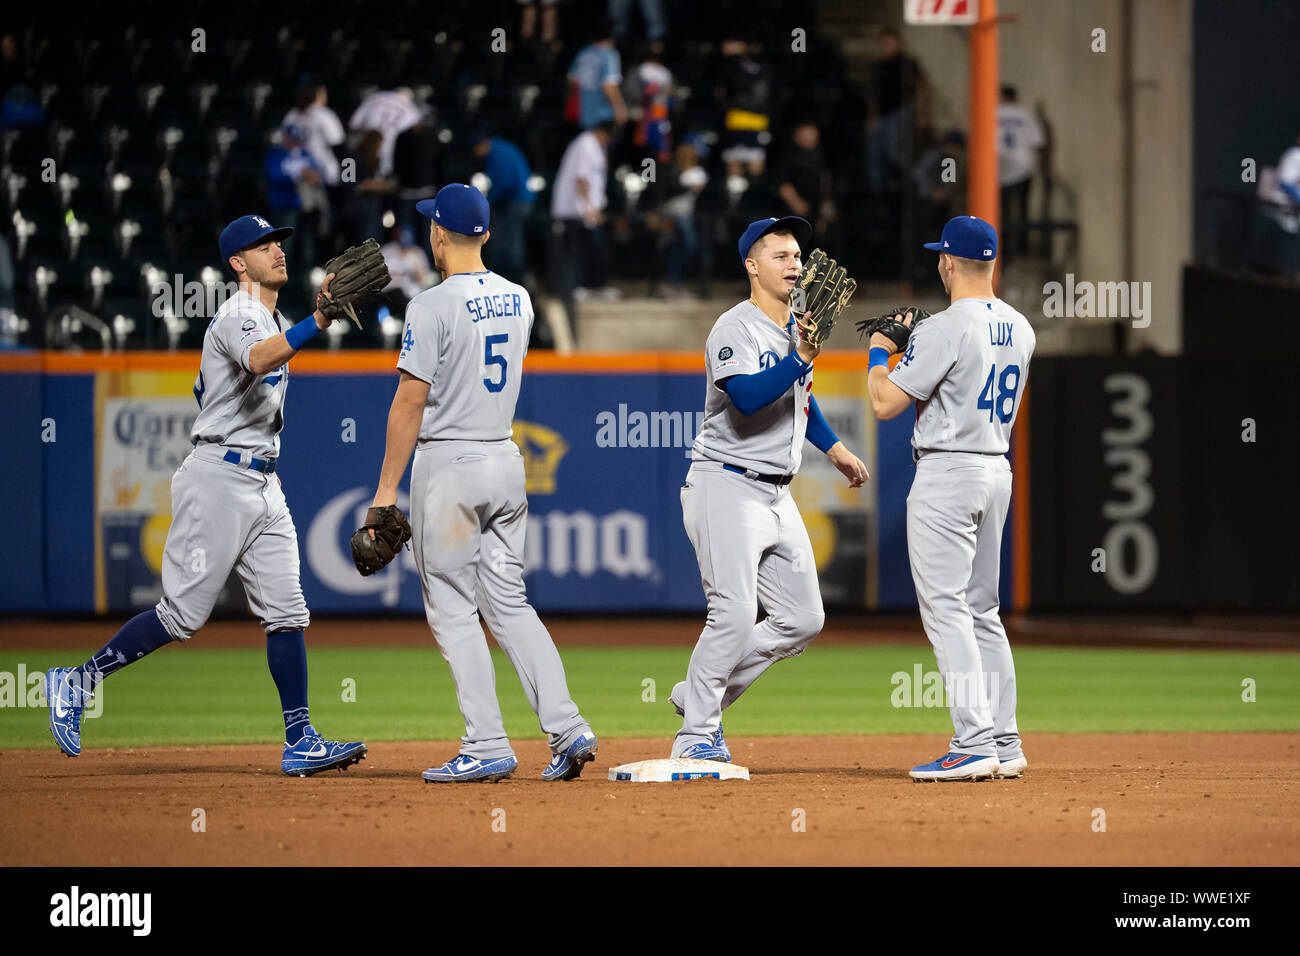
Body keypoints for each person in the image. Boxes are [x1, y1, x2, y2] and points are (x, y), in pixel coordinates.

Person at [44, 215, 367, 777]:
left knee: (287, 611)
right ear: (238, 262)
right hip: (218, 476)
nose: (277, 251)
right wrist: (320, 318)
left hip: (262, 481)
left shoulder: (269, 316)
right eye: (264, 246)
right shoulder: (238, 312)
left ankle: (301, 739)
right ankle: (76, 681)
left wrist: (308, 319)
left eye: (279, 243)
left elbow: (269, 367)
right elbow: (262, 358)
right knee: (182, 616)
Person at [366, 184, 598, 783]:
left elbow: (409, 402)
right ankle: (568, 727)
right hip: (504, 460)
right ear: (488, 234)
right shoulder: (519, 298)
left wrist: (384, 491)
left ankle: (487, 742)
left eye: (431, 229)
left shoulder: (430, 305)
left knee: (451, 607)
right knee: (510, 603)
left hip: (450, 467)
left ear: (439, 234)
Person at [670, 217, 870, 761]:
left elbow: (800, 398)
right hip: (725, 484)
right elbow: (750, 400)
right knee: (732, 613)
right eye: (780, 255)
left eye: (798, 255)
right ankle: (696, 736)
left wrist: (835, 450)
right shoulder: (733, 328)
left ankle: (697, 696)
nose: (795, 264)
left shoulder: (795, 326)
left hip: (777, 495)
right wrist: (800, 358)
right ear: (751, 267)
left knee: (803, 618)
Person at [864, 215, 1035, 782]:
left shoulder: (944, 326)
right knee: (982, 608)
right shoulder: (1022, 326)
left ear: (948, 263)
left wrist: (881, 347)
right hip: (995, 469)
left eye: (940, 256)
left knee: (946, 608)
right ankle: (1004, 738)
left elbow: (885, 402)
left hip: (948, 472)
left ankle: (973, 739)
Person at [550, 121, 615, 321]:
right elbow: (581, 179)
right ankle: (580, 286)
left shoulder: (594, 146)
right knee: (580, 249)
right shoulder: (586, 144)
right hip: (575, 210)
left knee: (593, 247)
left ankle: (594, 285)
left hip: (584, 210)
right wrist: (590, 209)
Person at [867, 27, 925, 193]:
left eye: (890, 44)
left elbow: (921, 87)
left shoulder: (906, 64)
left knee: (895, 151)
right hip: (882, 114)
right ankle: (877, 191)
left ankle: (906, 186)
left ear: (898, 44)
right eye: (884, 44)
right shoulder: (879, 66)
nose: (886, 47)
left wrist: (920, 113)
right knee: (874, 153)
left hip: (901, 111)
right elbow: (874, 93)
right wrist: (871, 117)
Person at [472, 132, 535, 282]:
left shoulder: (498, 153)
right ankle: (509, 275)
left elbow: (505, 184)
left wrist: (489, 202)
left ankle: (510, 277)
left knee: (509, 241)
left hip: (516, 201)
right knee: (510, 239)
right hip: (519, 200)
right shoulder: (501, 148)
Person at [264, 124, 325, 270]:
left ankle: (306, 270)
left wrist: (310, 177)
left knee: (305, 239)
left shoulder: (305, 155)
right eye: (291, 139)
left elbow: (319, 174)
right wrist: (299, 175)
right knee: (284, 243)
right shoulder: (276, 154)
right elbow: (273, 175)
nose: (294, 143)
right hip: (281, 203)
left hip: (304, 205)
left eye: (296, 140)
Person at [997, 86, 1044, 261]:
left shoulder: (992, 112)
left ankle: (1003, 250)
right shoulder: (1025, 115)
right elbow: (1038, 142)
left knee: (1001, 211)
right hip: (1023, 167)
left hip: (998, 168)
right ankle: (1022, 248)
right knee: (1022, 209)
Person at [774, 122, 835, 233]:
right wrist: (796, 203)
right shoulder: (788, 157)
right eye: (805, 133)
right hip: (794, 212)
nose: (809, 137)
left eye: (812, 133)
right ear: (796, 136)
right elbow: (782, 184)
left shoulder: (822, 155)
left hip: (817, 208)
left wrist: (827, 205)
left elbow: (825, 180)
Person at [282, 83, 346, 188]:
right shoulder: (324, 115)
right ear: (318, 95)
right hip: (324, 173)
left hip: (296, 172)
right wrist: (349, 178)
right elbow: (340, 148)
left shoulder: (291, 115)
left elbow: (285, 147)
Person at [348, 88, 421, 176]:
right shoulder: (411, 109)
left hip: (366, 146)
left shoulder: (374, 98)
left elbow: (354, 124)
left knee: (353, 176)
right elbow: (416, 133)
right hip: (390, 150)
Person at [567, 25, 627, 131]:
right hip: (603, 116)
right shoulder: (609, 54)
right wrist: (620, 109)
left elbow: (571, 81)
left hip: (583, 114)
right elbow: (609, 85)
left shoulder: (583, 53)